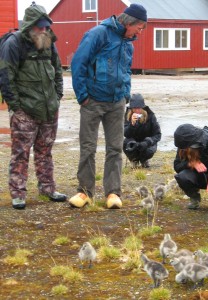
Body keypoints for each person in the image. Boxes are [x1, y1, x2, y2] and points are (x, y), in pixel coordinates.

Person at [69, 4, 147, 209]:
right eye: (139, 27)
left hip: (117, 103)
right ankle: (84, 192)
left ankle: (113, 193)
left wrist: (125, 94)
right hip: (92, 101)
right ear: (129, 22)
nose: (140, 32)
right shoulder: (98, 34)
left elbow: (127, 70)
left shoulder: (129, 43)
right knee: (88, 147)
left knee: (114, 148)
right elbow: (78, 63)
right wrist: (82, 96)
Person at [0, 3, 66, 209]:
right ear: (29, 25)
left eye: (46, 26)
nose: (44, 30)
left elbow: (57, 71)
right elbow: (6, 76)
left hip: (49, 109)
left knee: (45, 151)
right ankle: (18, 193)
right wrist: (16, 107)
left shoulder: (49, 42)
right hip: (25, 111)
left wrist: (57, 96)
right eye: (40, 27)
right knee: (20, 153)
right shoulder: (14, 44)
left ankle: (47, 188)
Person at [123, 93, 161, 168]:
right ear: (131, 108)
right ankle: (134, 160)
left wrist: (147, 142)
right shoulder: (128, 115)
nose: (137, 110)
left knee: (149, 149)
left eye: (139, 108)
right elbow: (125, 134)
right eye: (134, 108)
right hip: (133, 141)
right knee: (125, 143)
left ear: (143, 107)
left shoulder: (150, 115)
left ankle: (144, 160)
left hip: (146, 141)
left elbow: (158, 135)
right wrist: (132, 124)